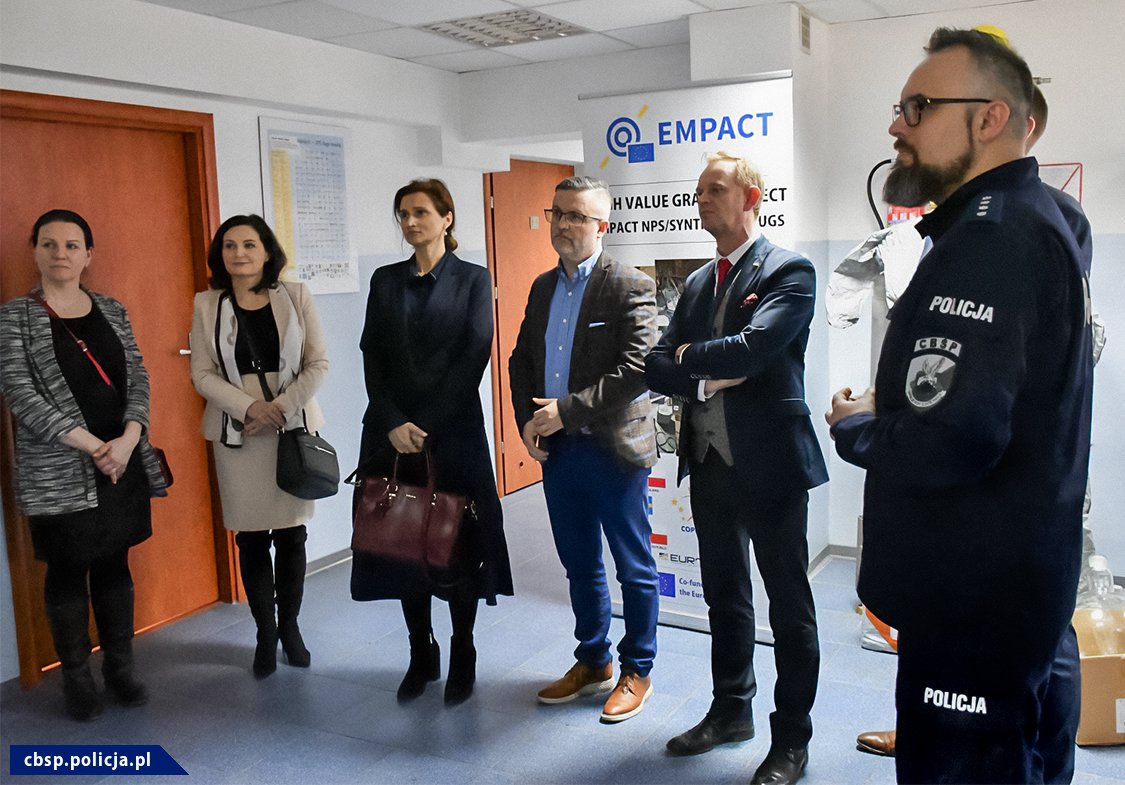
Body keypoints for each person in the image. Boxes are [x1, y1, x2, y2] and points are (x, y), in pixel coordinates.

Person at [827, 28, 1092, 784]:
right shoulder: (1030, 220)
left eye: (918, 106)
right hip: (1010, 581)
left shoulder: (990, 240)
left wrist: (860, 426)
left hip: (972, 594)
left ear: (989, 118)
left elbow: (957, 439)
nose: (896, 125)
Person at [646, 152, 827, 785]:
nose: (701, 200)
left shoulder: (790, 270)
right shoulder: (699, 282)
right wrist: (701, 376)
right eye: (698, 191)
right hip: (710, 464)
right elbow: (655, 364)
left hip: (773, 466)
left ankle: (792, 739)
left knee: (789, 609)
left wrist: (688, 356)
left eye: (715, 189)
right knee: (724, 597)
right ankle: (731, 711)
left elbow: (756, 348)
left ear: (751, 197)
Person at [0, 209, 169, 721]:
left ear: (88, 255)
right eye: (49, 244)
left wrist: (129, 438)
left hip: (122, 460)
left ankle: (121, 669)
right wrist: (95, 446)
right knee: (67, 569)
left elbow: (138, 375)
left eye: (72, 245)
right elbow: (19, 393)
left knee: (115, 564)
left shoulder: (112, 309)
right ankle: (77, 680)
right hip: (59, 469)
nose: (61, 254)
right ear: (35, 251)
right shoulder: (14, 316)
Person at [351, 178, 513, 706]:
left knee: (457, 545)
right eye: (403, 214)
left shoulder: (472, 279)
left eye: (421, 212)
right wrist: (393, 421)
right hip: (392, 435)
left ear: (447, 218)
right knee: (403, 543)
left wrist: (425, 425)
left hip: (452, 434)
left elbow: (474, 355)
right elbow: (372, 354)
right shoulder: (386, 280)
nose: (410, 222)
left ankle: (463, 648)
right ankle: (421, 651)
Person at [508, 176, 660, 723]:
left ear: (602, 226)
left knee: (633, 567)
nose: (564, 224)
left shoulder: (629, 285)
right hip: (560, 452)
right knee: (578, 564)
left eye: (577, 216)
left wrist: (565, 412)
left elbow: (637, 369)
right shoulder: (542, 287)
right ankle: (593, 660)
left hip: (613, 450)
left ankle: (637, 670)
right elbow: (521, 360)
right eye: (558, 213)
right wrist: (527, 423)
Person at [189, 214, 328, 679]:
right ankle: (265, 634)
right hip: (238, 430)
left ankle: (290, 628)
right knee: (250, 538)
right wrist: (250, 408)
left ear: (267, 251)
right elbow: (202, 373)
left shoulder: (297, 295)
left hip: (290, 425)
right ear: (220, 254)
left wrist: (279, 408)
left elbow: (318, 362)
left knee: (291, 535)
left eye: (249, 244)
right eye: (230, 245)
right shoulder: (206, 304)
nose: (239, 253)